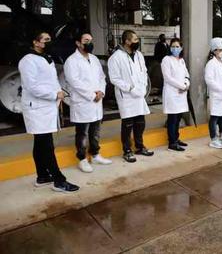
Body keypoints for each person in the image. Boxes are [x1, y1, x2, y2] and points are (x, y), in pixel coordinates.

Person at [18, 32, 79, 192]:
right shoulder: (28, 61)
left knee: (40, 143)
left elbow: (52, 81)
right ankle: (59, 180)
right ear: (35, 42)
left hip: (47, 106)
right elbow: (32, 86)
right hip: (37, 107)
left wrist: (58, 94)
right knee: (46, 144)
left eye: (50, 40)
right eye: (45, 40)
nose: (49, 42)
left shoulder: (47, 58)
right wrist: (54, 94)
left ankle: (42, 176)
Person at [64, 32, 112, 173]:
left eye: (91, 40)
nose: (89, 43)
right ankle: (82, 159)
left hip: (97, 100)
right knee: (82, 133)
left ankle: (96, 155)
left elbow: (102, 77)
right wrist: (92, 95)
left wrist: (101, 92)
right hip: (83, 102)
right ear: (78, 43)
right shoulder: (71, 61)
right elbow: (74, 82)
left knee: (95, 131)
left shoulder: (94, 59)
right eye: (86, 40)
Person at [108, 30, 154, 163]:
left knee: (140, 122)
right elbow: (114, 79)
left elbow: (144, 71)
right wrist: (131, 88)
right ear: (127, 41)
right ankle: (127, 150)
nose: (137, 41)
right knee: (128, 124)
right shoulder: (116, 57)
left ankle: (140, 146)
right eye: (135, 39)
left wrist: (144, 86)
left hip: (139, 94)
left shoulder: (139, 55)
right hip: (126, 96)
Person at [161, 38, 190, 152]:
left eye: (177, 46)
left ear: (181, 48)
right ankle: (172, 143)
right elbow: (168, 78)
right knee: (172, 119)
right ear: (170, 47)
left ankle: (176, 139)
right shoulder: (166, 60)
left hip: (181, 94)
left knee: (178, 118)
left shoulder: (181, 60)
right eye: (173, 46)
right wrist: (182, 86)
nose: (175, 48)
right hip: (172, 93)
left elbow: (187, 74)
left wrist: (186, 84)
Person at [205, 37, 222, 149]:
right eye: (220, 50)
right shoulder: (211, 64)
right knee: (215, 117)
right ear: (214, 50)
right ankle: (213, 139)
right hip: (217, 94)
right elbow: (209, 80)